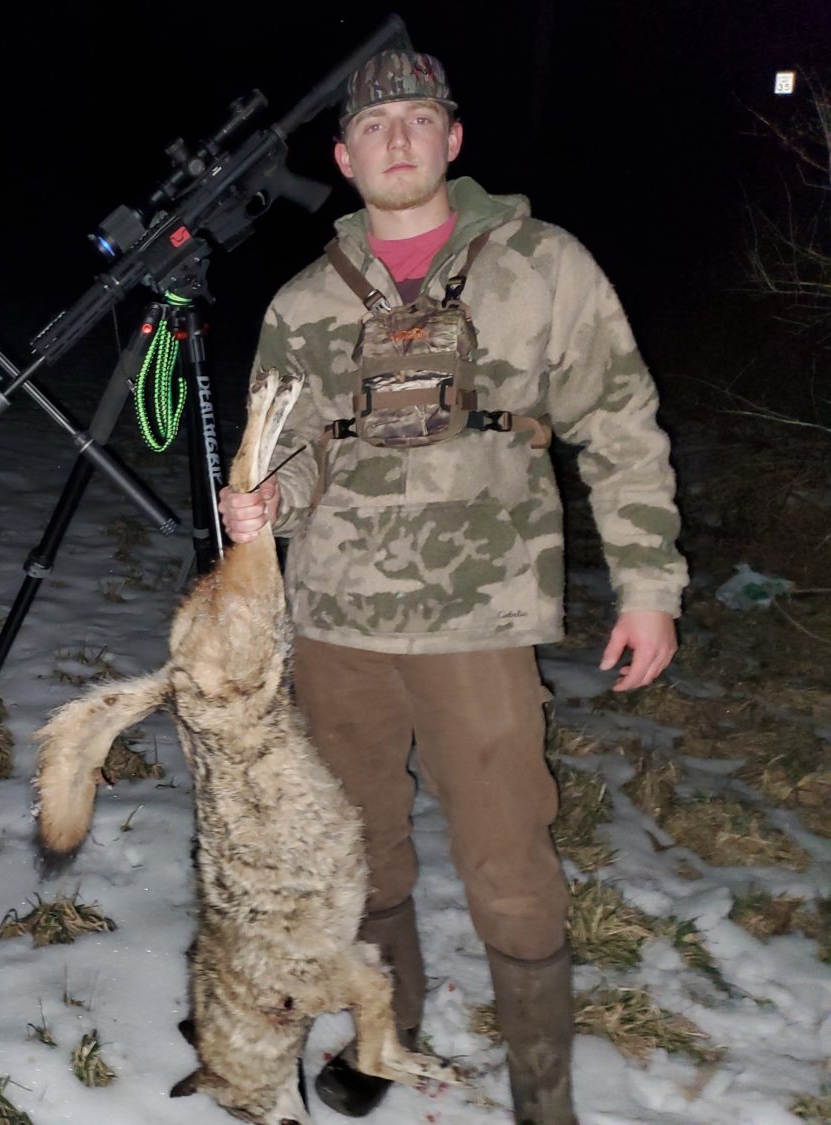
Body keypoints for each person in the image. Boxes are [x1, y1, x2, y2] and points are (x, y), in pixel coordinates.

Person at [220, 49, 686, 1124]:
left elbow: (618, 422)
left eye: (417, 120)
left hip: (480, 625)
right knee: (361, 851)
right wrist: (260, 508)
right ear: (342, 156)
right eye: (375, 127)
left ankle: (543, 1096)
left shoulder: (542, 265)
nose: (396, 139)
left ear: (452, 141)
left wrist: (648, 582)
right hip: (336, 623)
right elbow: (281, 453)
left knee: (508, 860)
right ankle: (390, 1040)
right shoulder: (304, 299)